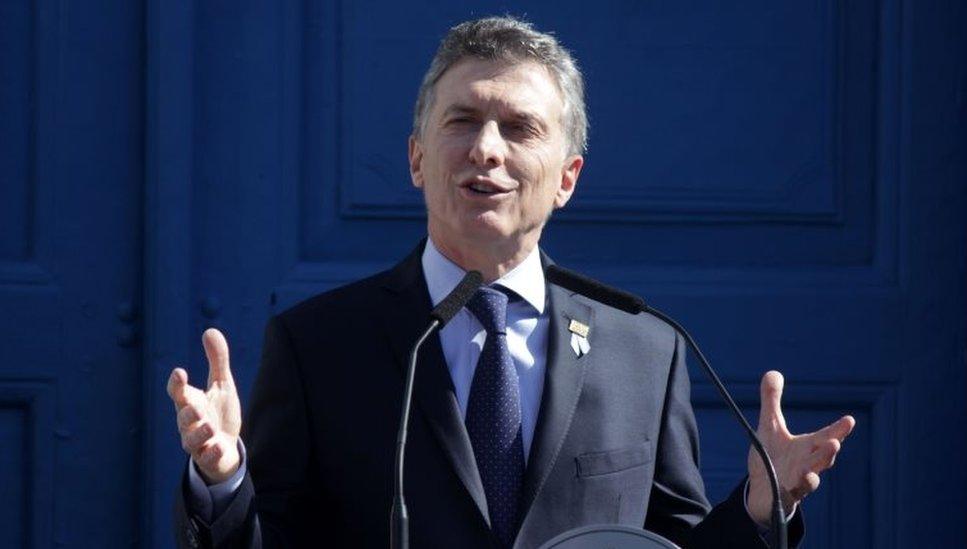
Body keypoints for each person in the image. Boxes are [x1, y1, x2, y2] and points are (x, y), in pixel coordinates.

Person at [167, 16, 855, 548]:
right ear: (416, 158)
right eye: (462, 120)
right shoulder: (318, 343)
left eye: (519, 127)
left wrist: (763, 505)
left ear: (566, 178)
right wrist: (225, 477)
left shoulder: (645, 349)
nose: (487, 148)